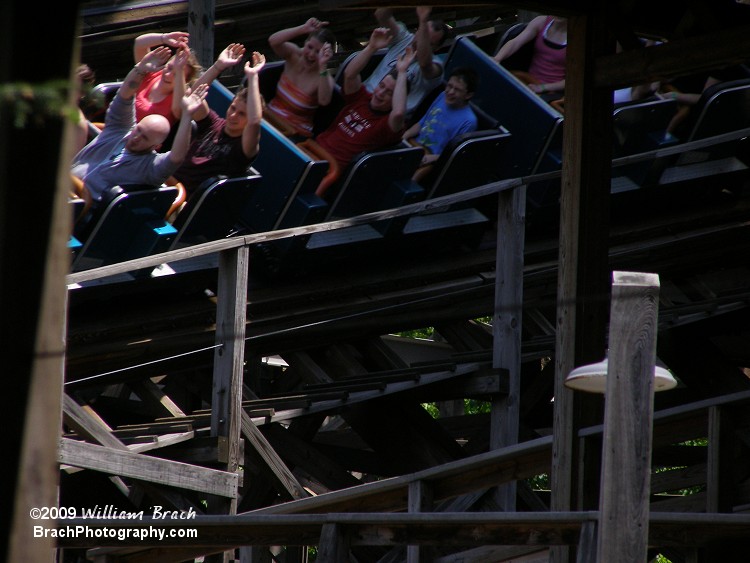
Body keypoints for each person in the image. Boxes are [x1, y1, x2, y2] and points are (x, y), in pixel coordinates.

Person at [70, 46, 208, 205]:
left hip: (83, 207)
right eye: (139, 130)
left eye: (145, 138)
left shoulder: (150, 168)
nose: (136, 137)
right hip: (65, 184)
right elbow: (124, 96)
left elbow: (176, 157)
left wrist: (187, 115)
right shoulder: (120, 128)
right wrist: (140, 69)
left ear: (156, 146)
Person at [313, 29, 415, 177]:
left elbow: (399, 112)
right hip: (314, 149)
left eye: (389, 93)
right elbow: (350, 74)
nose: (380, 93)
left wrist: (402, 72)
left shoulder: (387, 124)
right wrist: (372, 47)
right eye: (381, 86)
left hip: (330, 169)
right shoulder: (362, 98)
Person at [171, 51, 265, 197]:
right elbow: (193, 95)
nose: (233, 115)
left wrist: (252, 76)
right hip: (168, 180)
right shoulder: (213, 123)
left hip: (186, 198)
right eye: (233, 108)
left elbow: (254, 122)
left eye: (242, 114)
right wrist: (218, 66)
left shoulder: (243, 147)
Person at [361, 6, 450, 119]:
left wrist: (423, 21)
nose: (420, 43)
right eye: (421, 35)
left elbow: (424, 64)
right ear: (417, 30)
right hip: (365, 97)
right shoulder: (403, 37)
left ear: (437, 48)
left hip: (387, 115)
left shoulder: (436, 67)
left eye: (428, 43)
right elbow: (381, 15)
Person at [402, 66, 478, 182]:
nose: (450, 92)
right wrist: (405, 135)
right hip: (414, 145)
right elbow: (422, 123)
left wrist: (431, 158)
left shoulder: (469, 121)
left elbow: (453, 154)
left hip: (432, 159)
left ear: (468, 95)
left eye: (457, 90)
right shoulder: (442, 95)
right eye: (449, 86)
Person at [265, 18, 336, 138]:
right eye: (310, 47)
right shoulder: (294, 54)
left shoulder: (324, 77)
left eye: (318, 52)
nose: (311, 54)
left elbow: (324, 101)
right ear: (305, 43)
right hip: (270, 119)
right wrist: (303, 28)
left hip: (294, 134)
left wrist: (323, 66)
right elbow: (273, 41)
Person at [132, 31, 203, 127]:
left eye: (176, 74)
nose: (168, 75)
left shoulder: (181, 96)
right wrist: (164, 38)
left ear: (184, 81)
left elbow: (179, 112)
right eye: (169, 67)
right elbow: (139, 43)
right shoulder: (152, 73)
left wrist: (180, 69)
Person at [493, 15, 567, 101]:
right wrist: (497, 58)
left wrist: (543, 87)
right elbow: (516, 42)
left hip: (552, 91)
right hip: (528, 81)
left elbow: (575, 80)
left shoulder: (578, 37)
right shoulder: (541, 22)